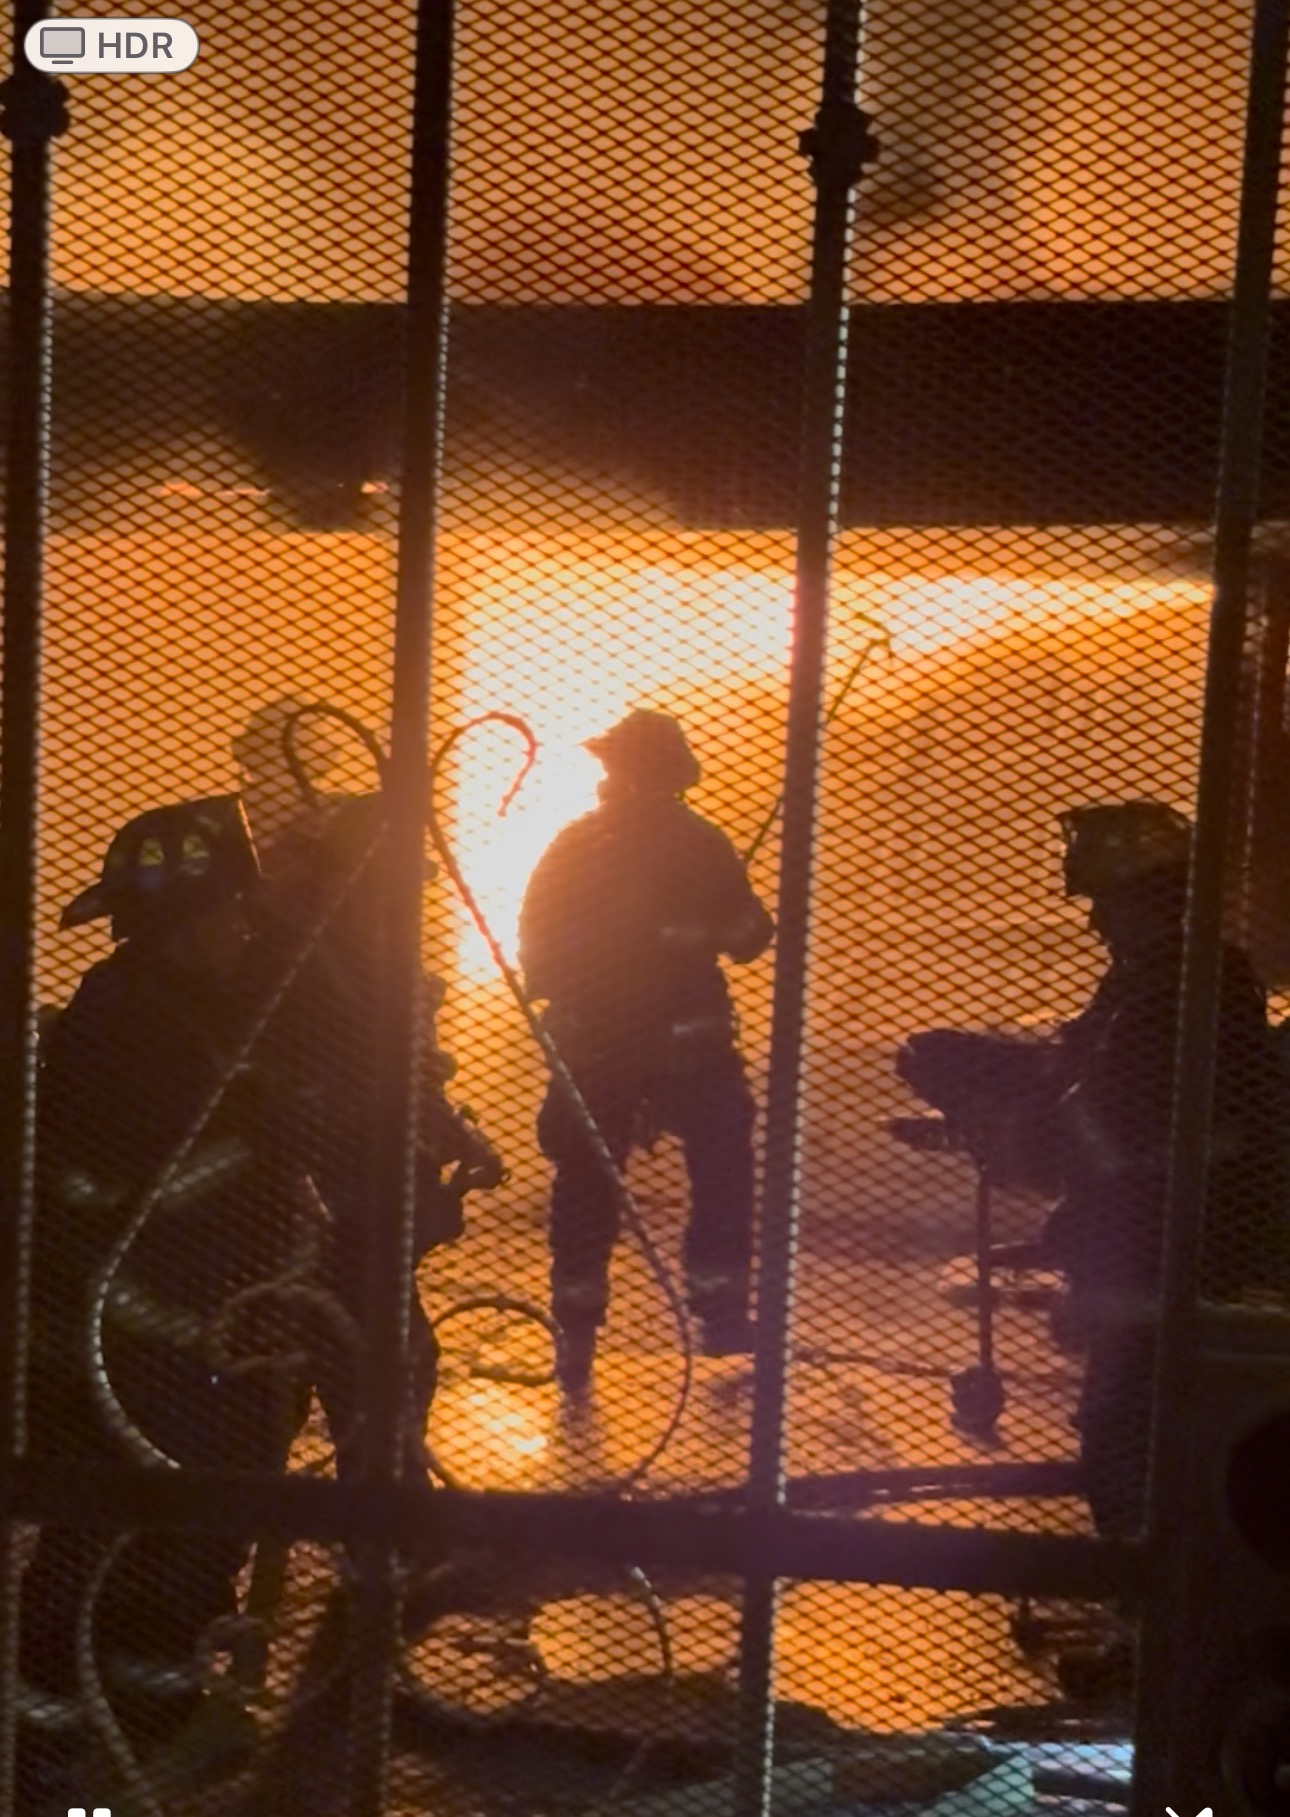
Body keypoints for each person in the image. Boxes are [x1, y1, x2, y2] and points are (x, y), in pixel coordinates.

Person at [20, 798, 311, 1808]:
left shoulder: (181, 1008)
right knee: (116, 1547)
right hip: (129, 1342)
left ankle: (146, 1729)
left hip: (180, 1341)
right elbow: (134, 1187)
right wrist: (263, 1141)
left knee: (178, 1543)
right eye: (230, 911)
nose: (244, 929)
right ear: (183, 921)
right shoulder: (131, 1026)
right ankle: (58, 1762)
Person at [518, 709, 774, 1390]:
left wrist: (568, 1003)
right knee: (720, 1164)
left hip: (598, 1047)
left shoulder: (575, 844)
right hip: (686, 1047)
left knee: (585, 1179)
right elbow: (751, 938)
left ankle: (576, 1330)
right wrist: (708, 926)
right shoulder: (700, 843)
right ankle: (721, 1315)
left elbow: (535, 940)